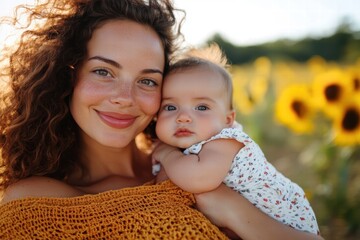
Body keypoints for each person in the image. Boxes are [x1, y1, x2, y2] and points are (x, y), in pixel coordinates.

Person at [0, 0, 325, 239]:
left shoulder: (209, 166)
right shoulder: (34, 201)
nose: (124, 97)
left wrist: (231, 207)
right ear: (65, 76)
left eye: (147, 80)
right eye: (103, 71)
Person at [152, 44, 320, 236]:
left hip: (284, 223)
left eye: (202, 107)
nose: (183, 117)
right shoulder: (184, 147)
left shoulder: (226, 142)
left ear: (228, 120)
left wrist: (166, 155)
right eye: (171, 107)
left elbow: (197, 178)